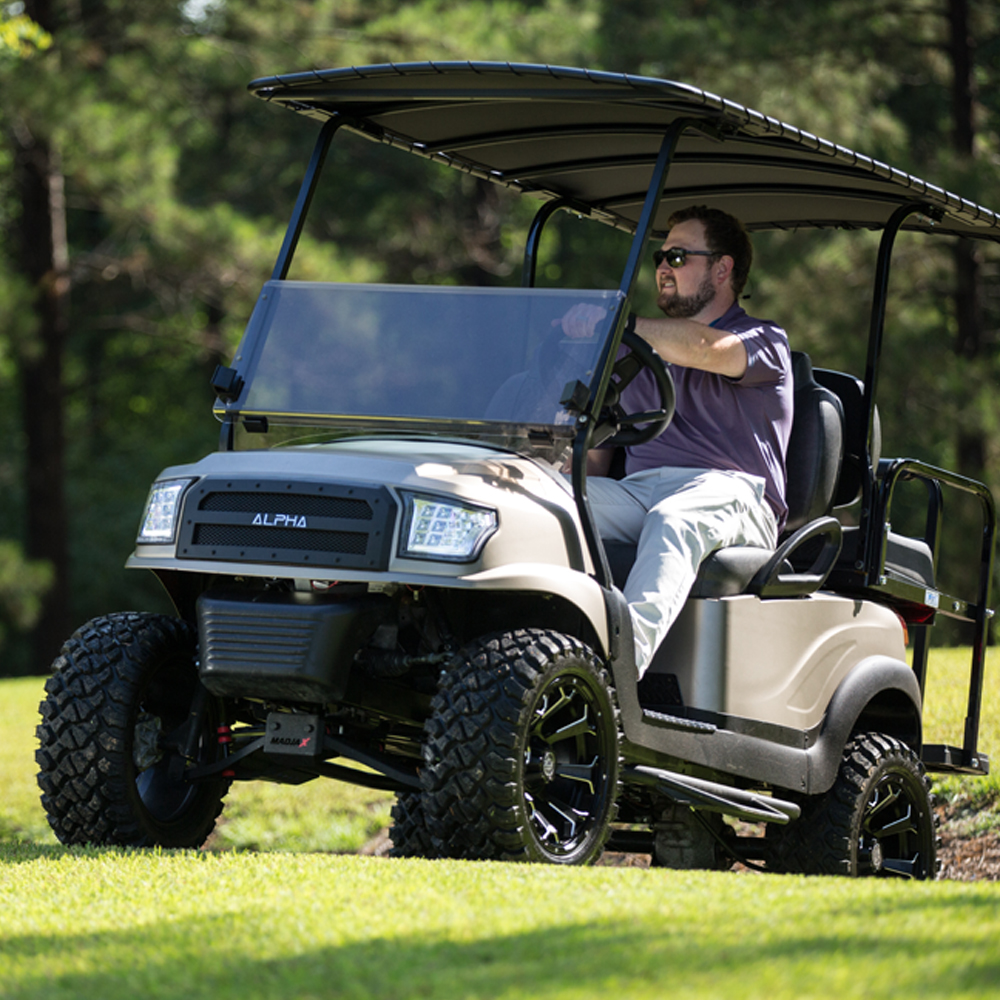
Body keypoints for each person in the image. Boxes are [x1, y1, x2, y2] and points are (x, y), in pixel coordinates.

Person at [583, 205, 794, 677]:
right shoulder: (633, 354)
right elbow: (594, 457)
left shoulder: (764, 340)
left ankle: (614, 678)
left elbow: (704, 348)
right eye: (660, 257)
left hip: (734, 494)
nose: (663, 267)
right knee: (547, 502)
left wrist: (617, 325)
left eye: (677, 257)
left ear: (722, 269)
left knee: (674, 518)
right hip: (641, 491)